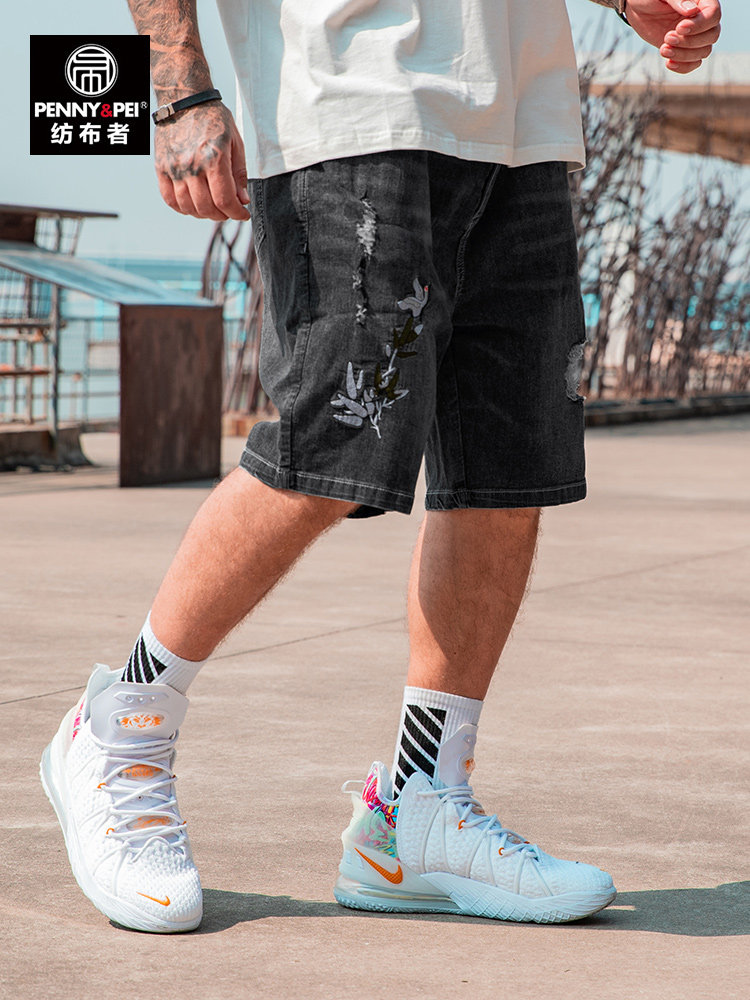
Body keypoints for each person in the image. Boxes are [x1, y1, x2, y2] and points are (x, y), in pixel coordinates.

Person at [41, 0, 722, 932]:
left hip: (523, 115)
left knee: (506, 472)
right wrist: (178, 88)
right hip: (350, 96)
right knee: (326, 451)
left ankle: (417, 811)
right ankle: (119, 728)